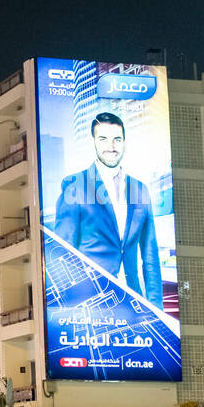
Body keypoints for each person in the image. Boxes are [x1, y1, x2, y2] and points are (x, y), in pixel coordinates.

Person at [52, 111, 162, 307]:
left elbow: (150, 256)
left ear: (125, 142)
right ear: (93, 141)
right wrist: (70, 307)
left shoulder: (139, 189)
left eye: (117, 139)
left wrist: (156, 308)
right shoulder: (76, 187)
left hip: (133, 300)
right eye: (103, 139)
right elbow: (62, 254)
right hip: (90, 302)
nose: (111, 147)